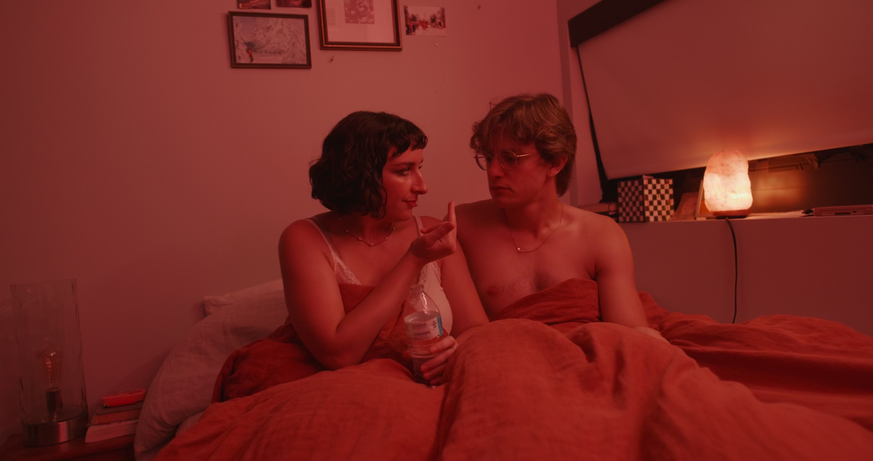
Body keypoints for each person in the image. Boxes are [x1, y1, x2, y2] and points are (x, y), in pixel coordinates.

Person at [278, 111, 488, 386]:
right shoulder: (305, 238)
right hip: (348, 388)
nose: (422, 186)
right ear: (359, 174)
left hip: (434, 384)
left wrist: (453, 351)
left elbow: (477, 329)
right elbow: (338, 355)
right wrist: (414, 259)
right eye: (404, 171)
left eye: (419, 168)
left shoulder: (432, 232)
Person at [455, 93, 666, 342]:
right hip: (505, 354)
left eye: (510, 158)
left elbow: (630, 333)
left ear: (555, 163)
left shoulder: (601, 234)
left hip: (589, 353)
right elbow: (465, 335)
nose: (493, 172)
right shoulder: (463, 226)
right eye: (489, 158)